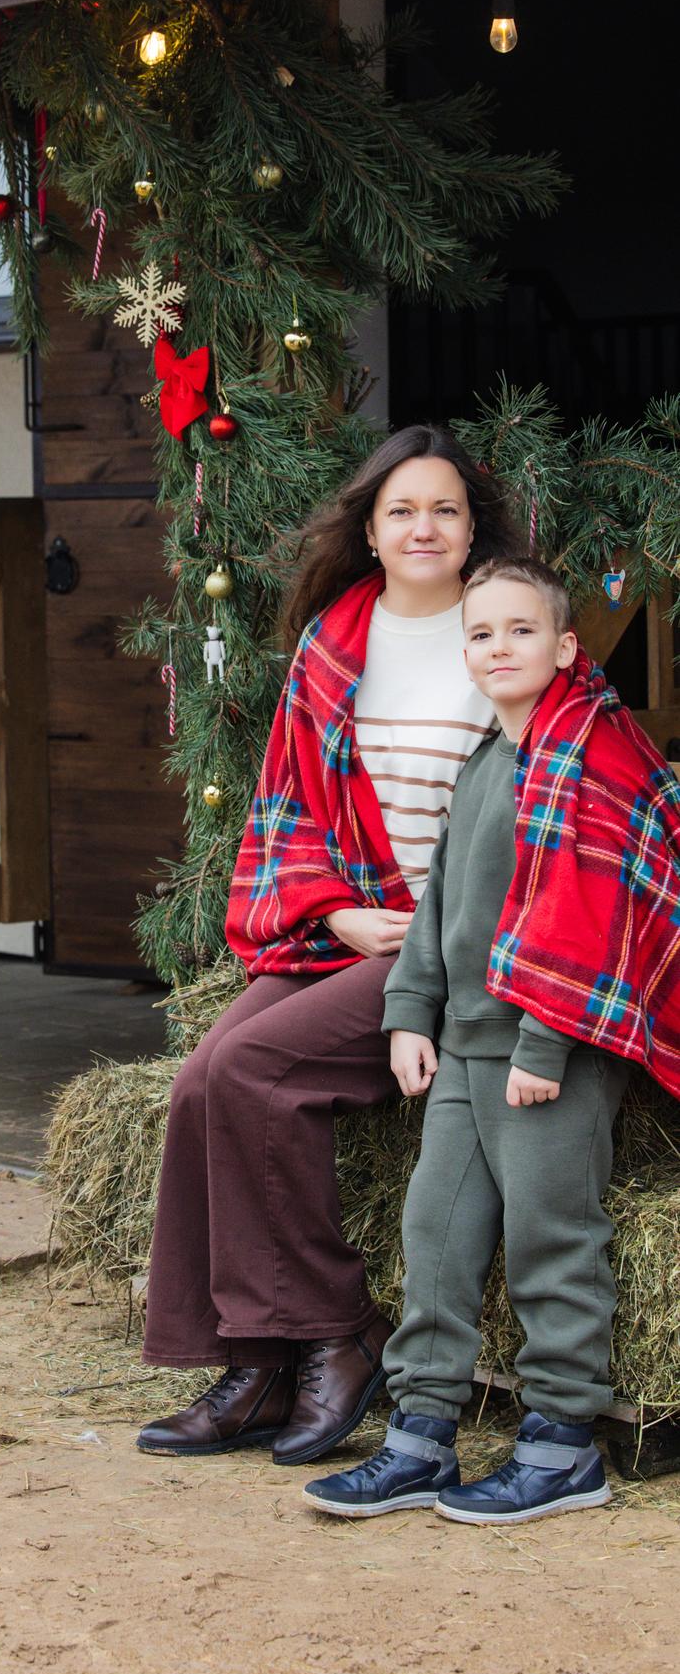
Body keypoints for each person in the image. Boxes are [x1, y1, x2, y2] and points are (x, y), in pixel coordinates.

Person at [137, 426, 518, 1466]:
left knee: (255, 1067)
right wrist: (330, 910)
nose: (422, 526)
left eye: (443, 508)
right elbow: (288, 807)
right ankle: (255, 1363)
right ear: (370, 527)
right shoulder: (333, 641)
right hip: (352, 924)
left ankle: (334, 1329)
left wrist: (436, 926)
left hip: (461, 938)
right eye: (401, 510)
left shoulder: (502, 631)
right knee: (196, 1085)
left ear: (471, 522)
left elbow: (551, 799)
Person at [305, 557, 680, 1523]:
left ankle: (562, 1448)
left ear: (564, 645)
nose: (498, 648)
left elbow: (591, 919)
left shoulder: (593, 761)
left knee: (552, 1238)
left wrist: (544, 1052)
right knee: (435, 1233)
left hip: (550, 1052)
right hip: (467, 1046)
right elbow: (437, 907)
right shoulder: (489, 758)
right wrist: (407, 1016)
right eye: (480, 633)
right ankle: (420, 1435)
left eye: (520, 631)